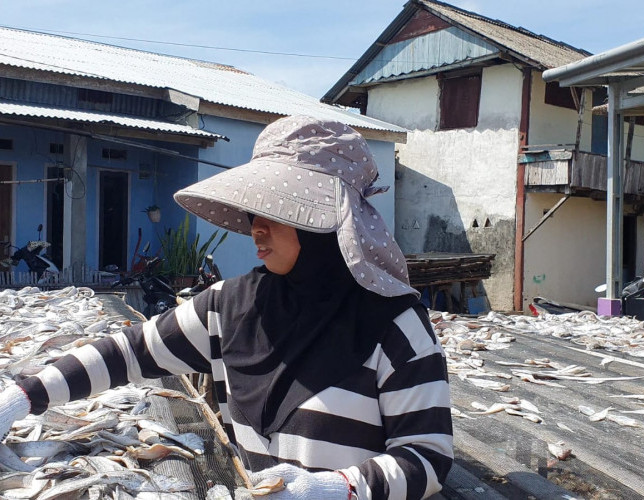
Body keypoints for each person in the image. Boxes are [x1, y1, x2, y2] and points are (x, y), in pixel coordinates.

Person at [0, 115, 454, 499]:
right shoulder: (228, 306)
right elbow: (128, 352)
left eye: (278, 212)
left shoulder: (395, 325)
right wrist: (26, 395)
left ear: (328, 223)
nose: (256, 229)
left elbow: (428, 457)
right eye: (256, 211)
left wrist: (334, 488)